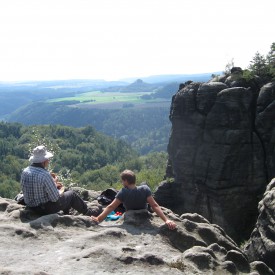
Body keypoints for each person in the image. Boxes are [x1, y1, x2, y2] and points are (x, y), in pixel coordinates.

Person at [20, 145, 97, 216]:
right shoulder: (45, 175)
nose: (48, 161)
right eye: (47, 159)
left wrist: (53, 184)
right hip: (44, 209)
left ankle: (67, 212)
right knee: (72, 194)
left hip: (30, 206)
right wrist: (56, 184)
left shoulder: (25, 171)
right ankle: (88, 212)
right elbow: (55, 198)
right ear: (43, 161)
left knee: (65, 193)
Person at [91, 169, 176, 230]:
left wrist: (98, 219)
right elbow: (154, 205)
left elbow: (111, 207)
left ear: (126, 181)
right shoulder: (145, 189)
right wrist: (166, 220)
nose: (122, 183)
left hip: (130, 214)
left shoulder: (123, 192)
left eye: (122, 181)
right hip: (144, 214)